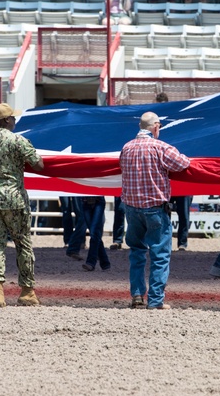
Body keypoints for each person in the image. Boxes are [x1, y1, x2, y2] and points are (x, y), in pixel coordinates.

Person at [119, 111, 191, 310]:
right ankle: (156, 300)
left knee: (136, 252)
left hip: (132, 209)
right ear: (156, 127)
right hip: (155, 208)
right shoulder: (160, 147)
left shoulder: (126, 147)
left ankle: (136, 295)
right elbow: (184, 163)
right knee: (160, 254)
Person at [0, 103, 45, 308]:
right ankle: (27, 291)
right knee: (23, 244)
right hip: (14, 199)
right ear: (7, 120)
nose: (15, 121)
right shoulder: (18, 140)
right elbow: (38, 163)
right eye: (13, 118)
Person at [79, 196, 110, 272]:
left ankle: (91, 262)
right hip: (86, 201)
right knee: (95, 234)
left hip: (97, 201)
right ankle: (105, 263)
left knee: (94, 232)